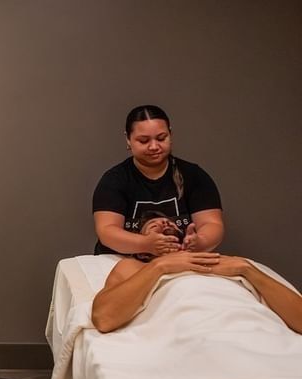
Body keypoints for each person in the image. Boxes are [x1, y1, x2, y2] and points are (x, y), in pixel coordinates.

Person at [91, 214, 302, 334]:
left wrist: (247, 270)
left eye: (170, 224)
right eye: (153, 226)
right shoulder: (136, 268)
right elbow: (104, 319)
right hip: (191, 335)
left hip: (253, 332)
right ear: (143, 252)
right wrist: (160, 267)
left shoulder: (229, 264)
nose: (164, 223)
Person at [93, 105, 224, 257]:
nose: (154, 146)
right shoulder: (114, 180)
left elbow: (212, 223)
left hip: (181, 259)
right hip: (121, 261)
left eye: (161, 138)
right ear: (128, 140)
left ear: (171, 134)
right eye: (143, 141)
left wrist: (200, 242)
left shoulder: (194, 175)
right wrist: (146, 245)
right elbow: (107, 230)